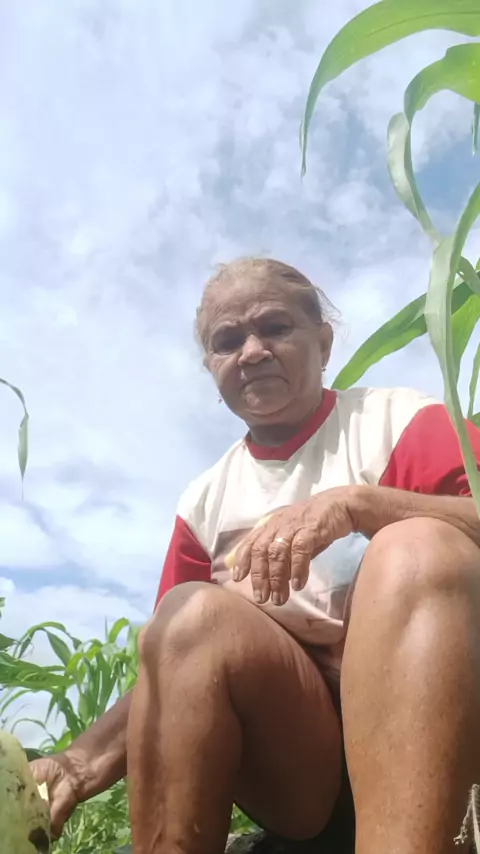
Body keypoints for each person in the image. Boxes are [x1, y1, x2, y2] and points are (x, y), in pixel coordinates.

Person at [32, 257, 480, 854]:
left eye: (275, 327)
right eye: (228, 340)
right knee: (191, 615)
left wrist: (360, 505)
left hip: (436, 739)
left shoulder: (397, 421)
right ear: (211, 366)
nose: (252, 351)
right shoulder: (204, 503)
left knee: (416, 547)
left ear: (323, 341)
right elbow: (170, 667)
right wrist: (78, 764)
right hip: (302, 773)